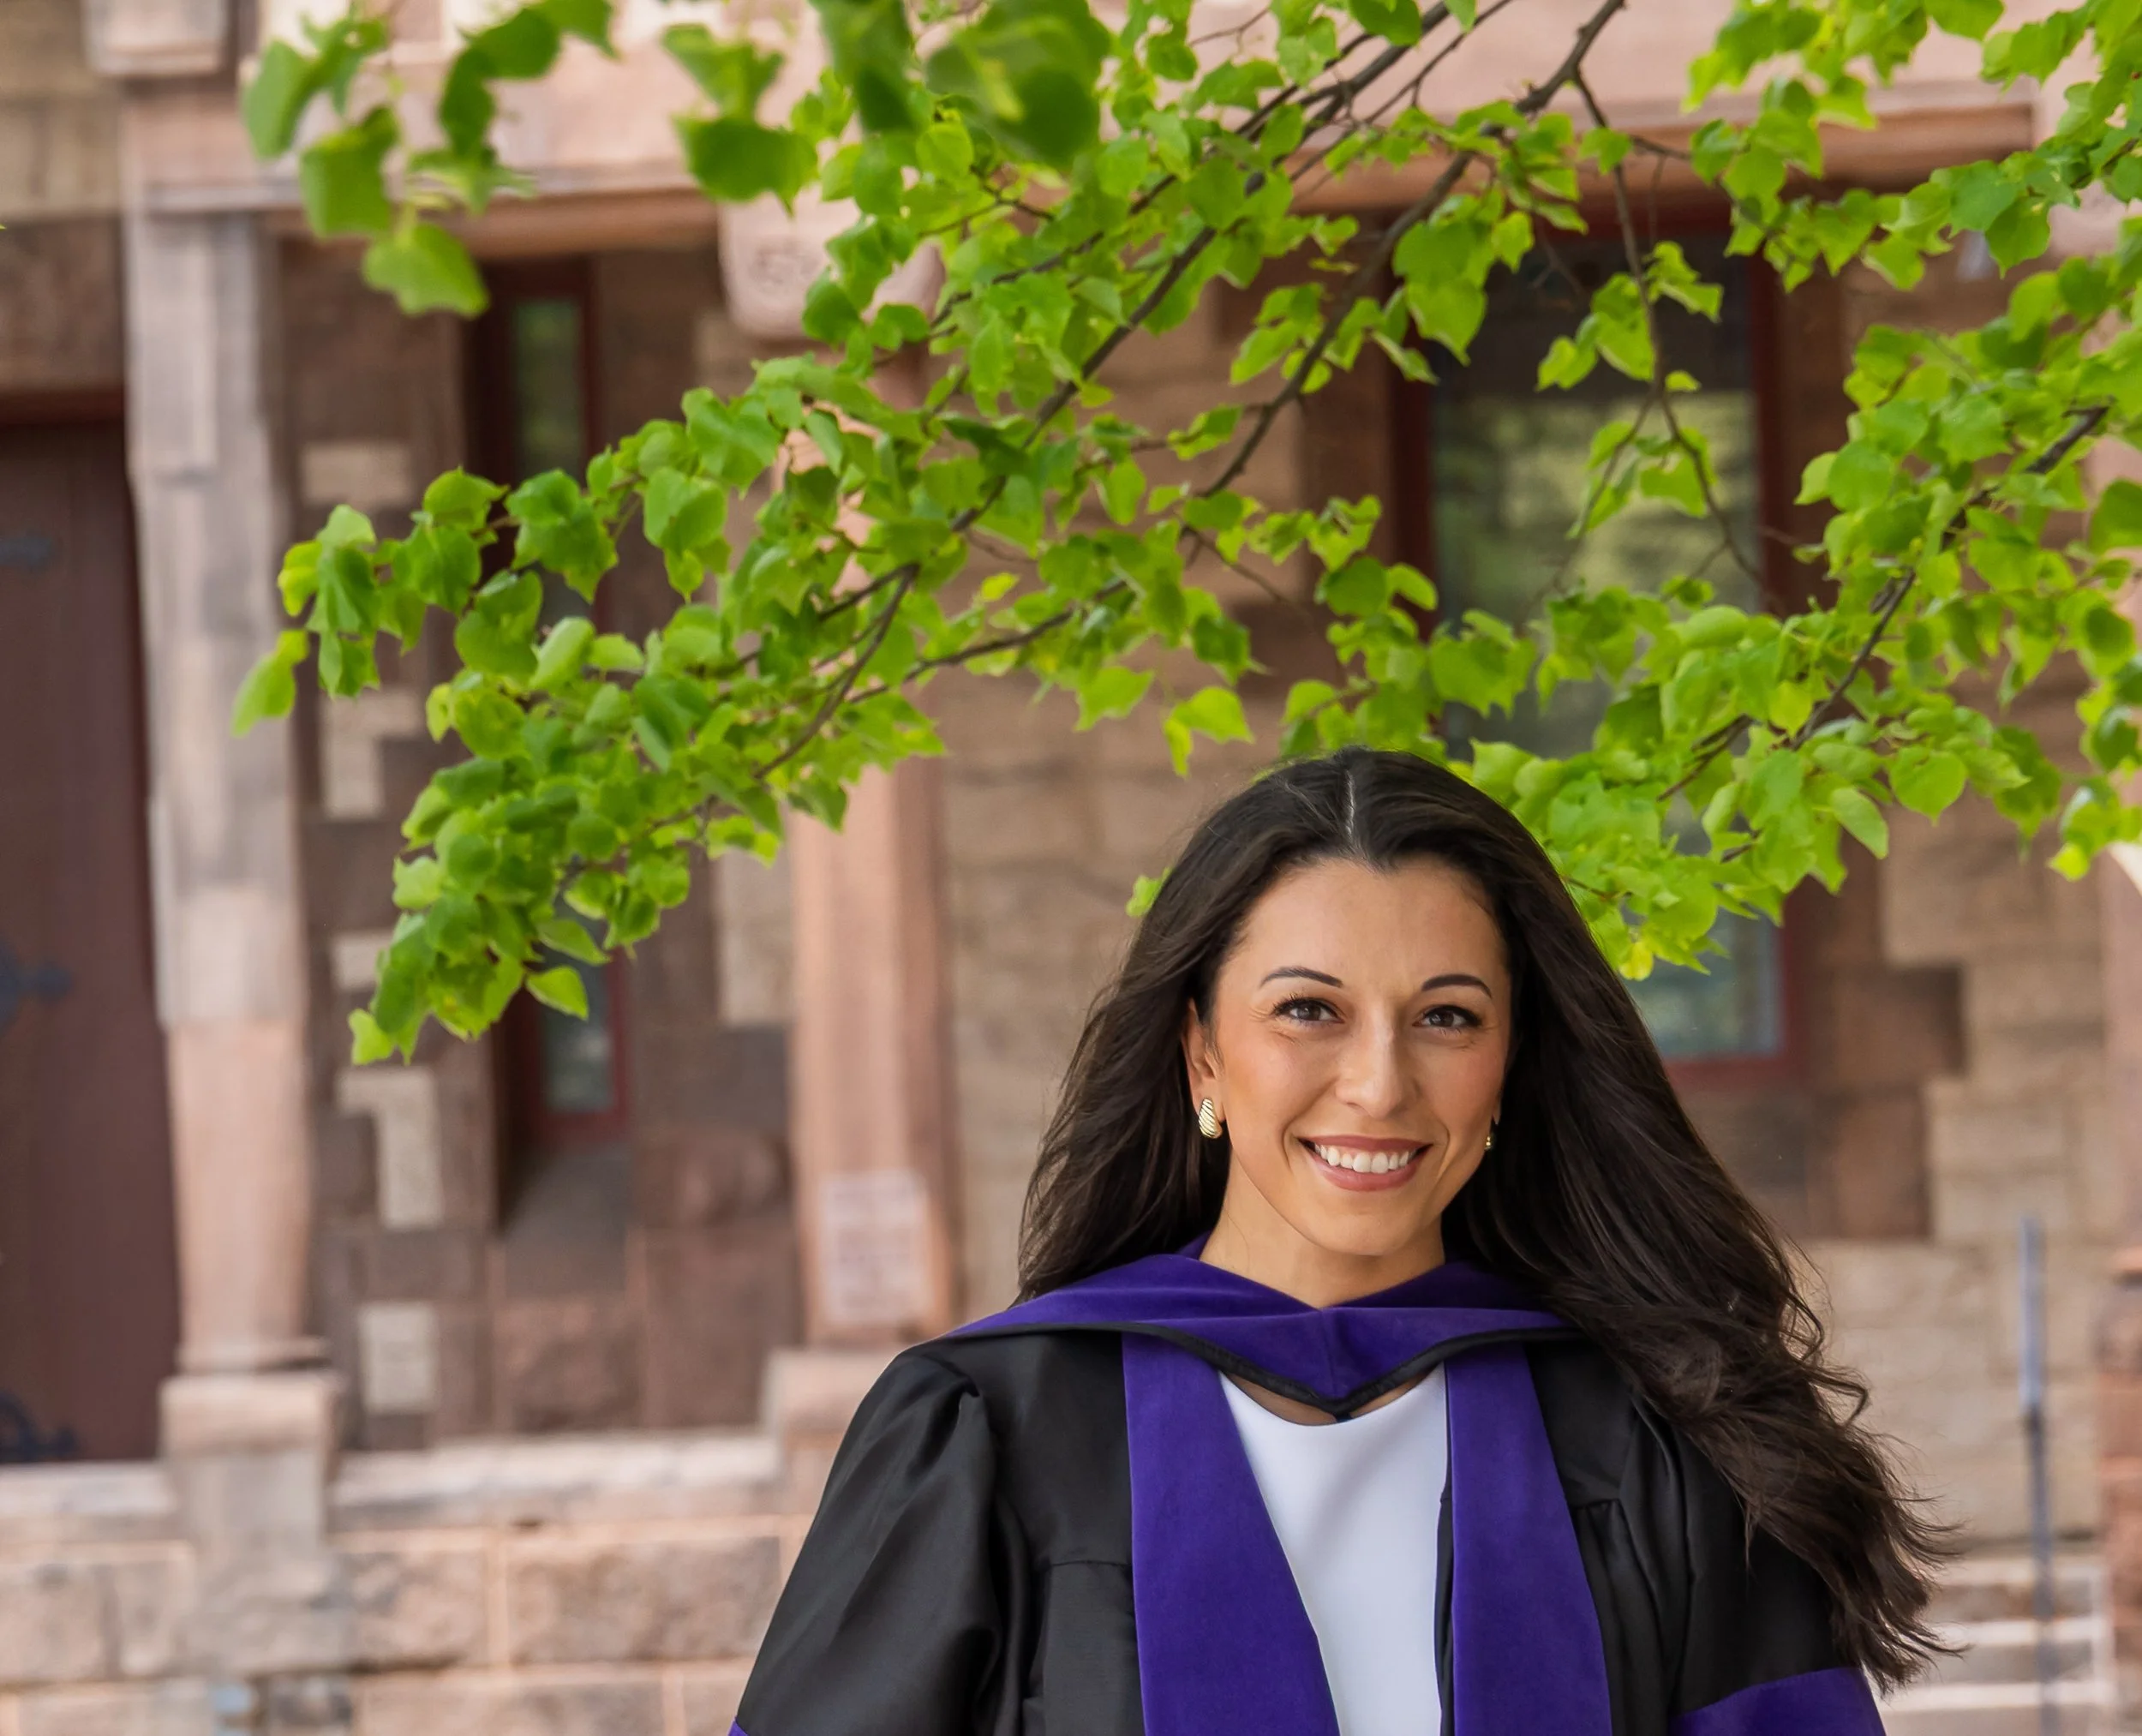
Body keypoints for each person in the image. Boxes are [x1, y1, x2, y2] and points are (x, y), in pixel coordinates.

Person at [731, 746, 1942, 1736]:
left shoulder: (1652, 1443)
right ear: (1203, 1054)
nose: (1378, 1083)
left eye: (1447, 1017)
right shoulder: (991, 1434)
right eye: (1308, 1009)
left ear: (1510, 1065)